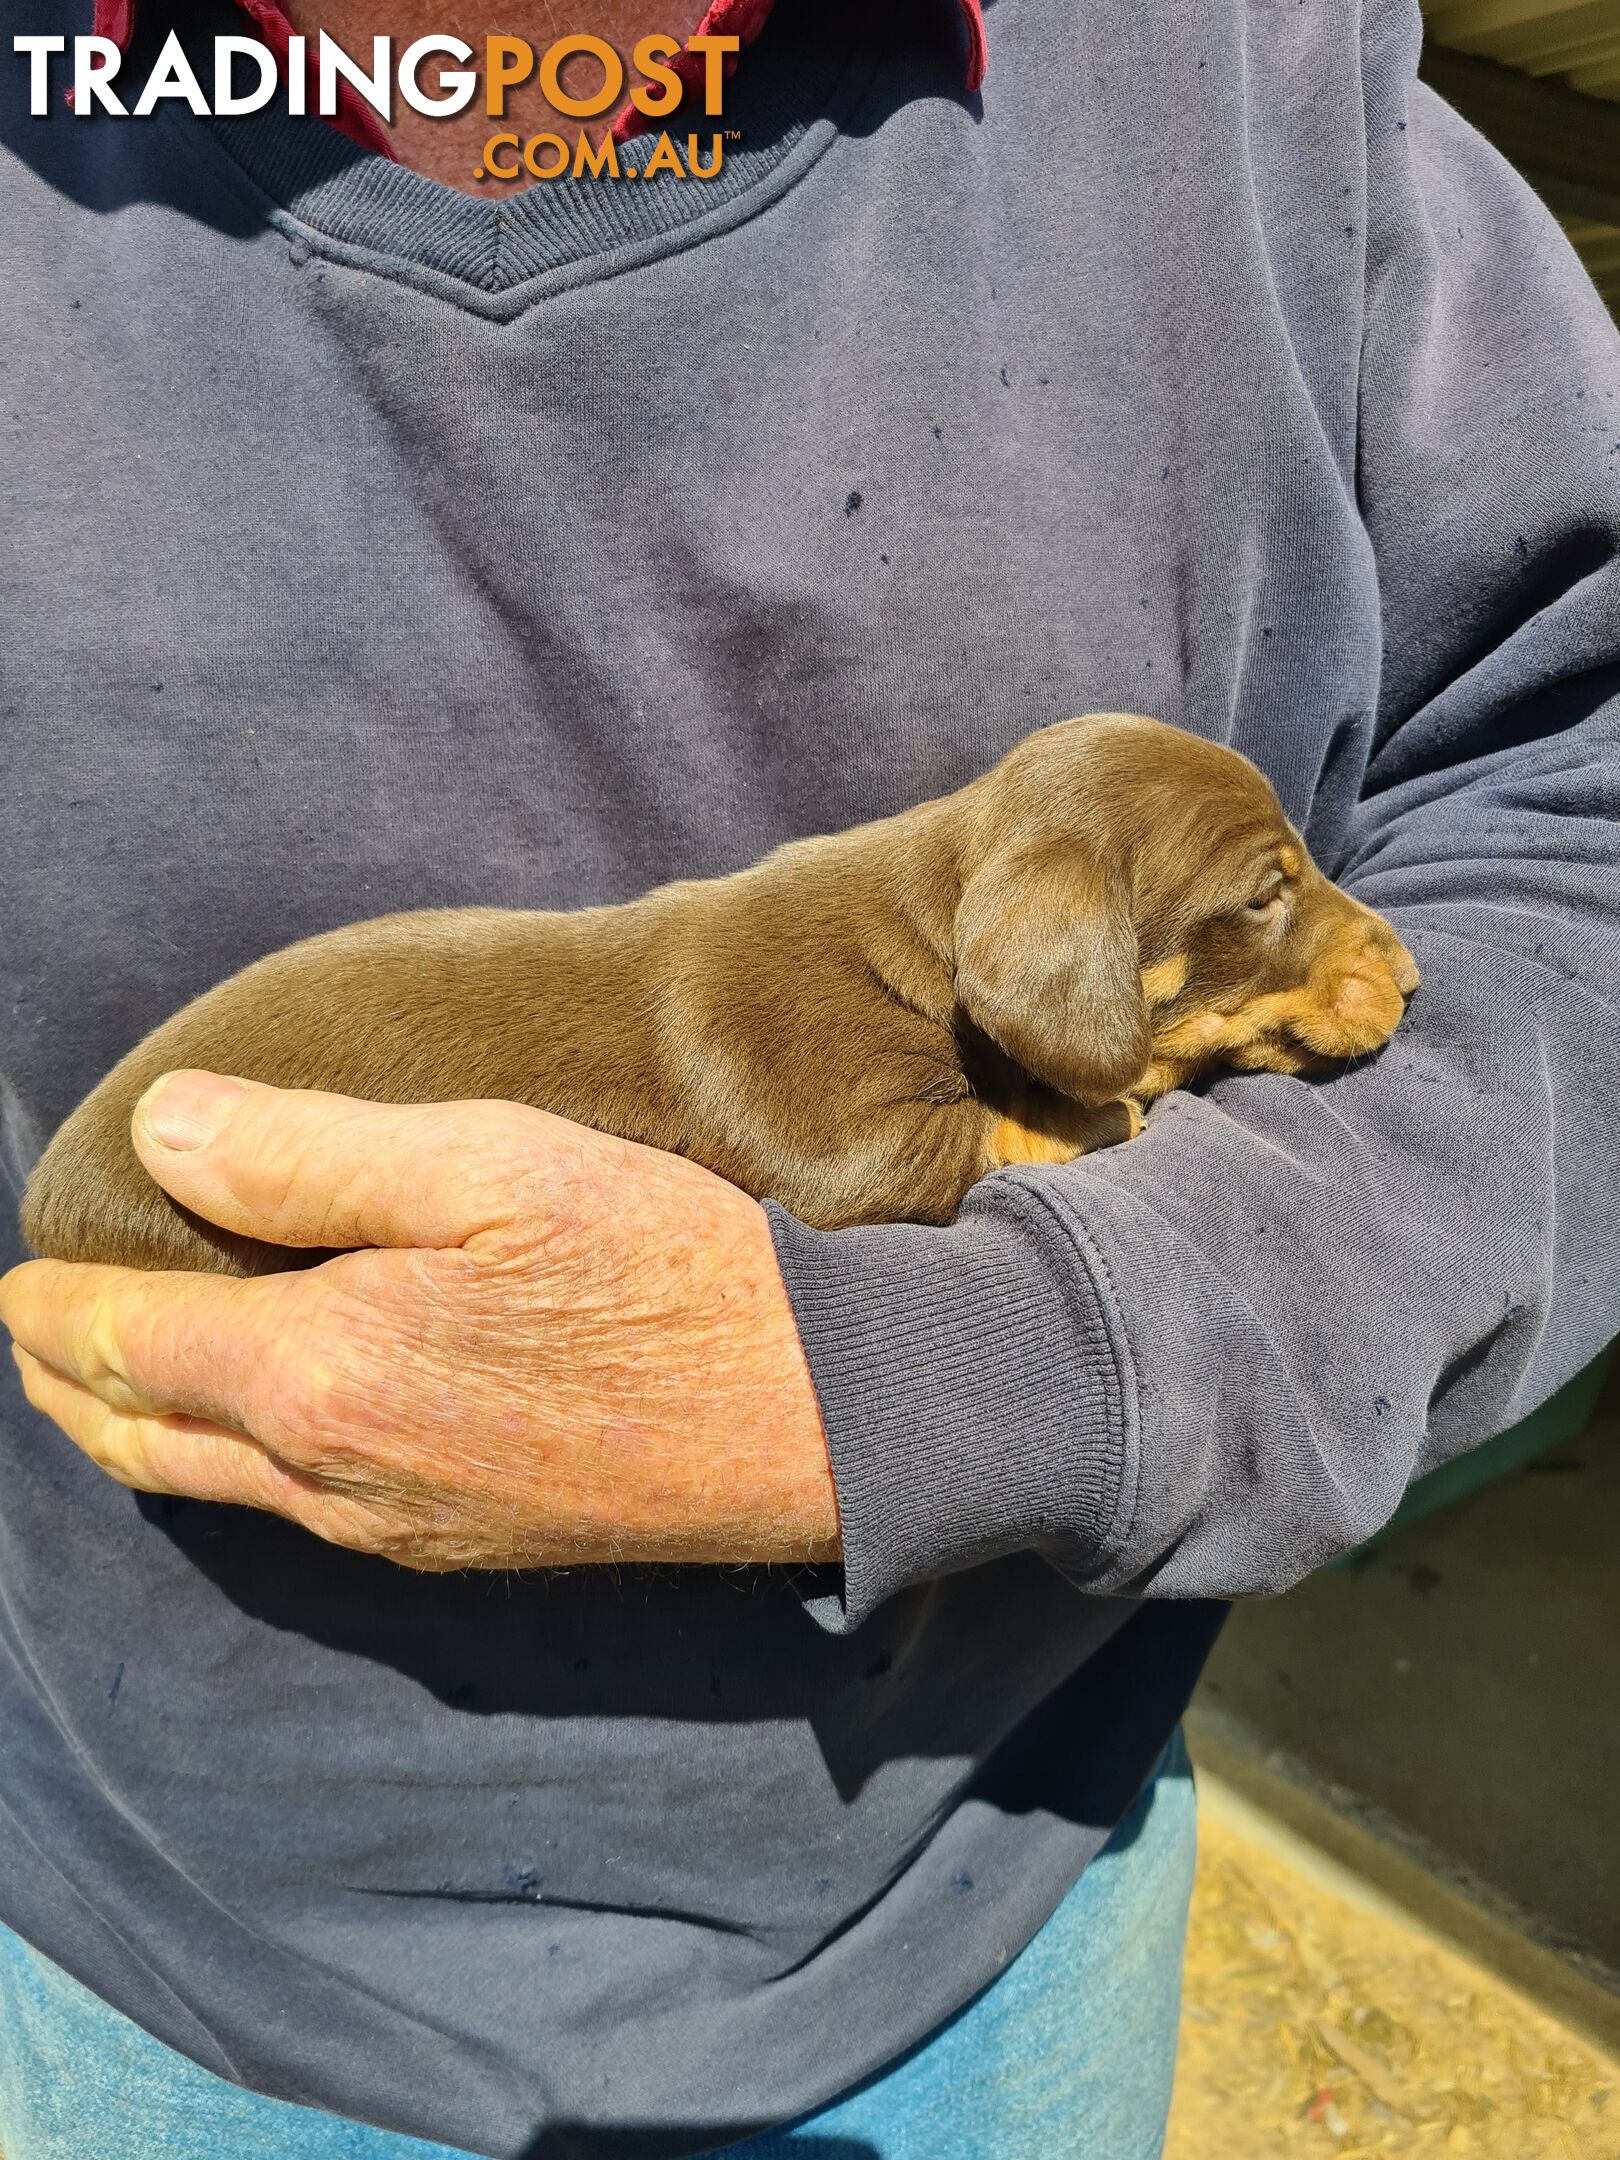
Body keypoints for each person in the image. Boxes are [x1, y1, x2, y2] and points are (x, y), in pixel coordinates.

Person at [1, 0, 1617, 2154]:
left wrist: (1012, 1364)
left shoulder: (1237, 56)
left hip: (989, 1885)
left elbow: (1575, 810)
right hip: (167, 1959)